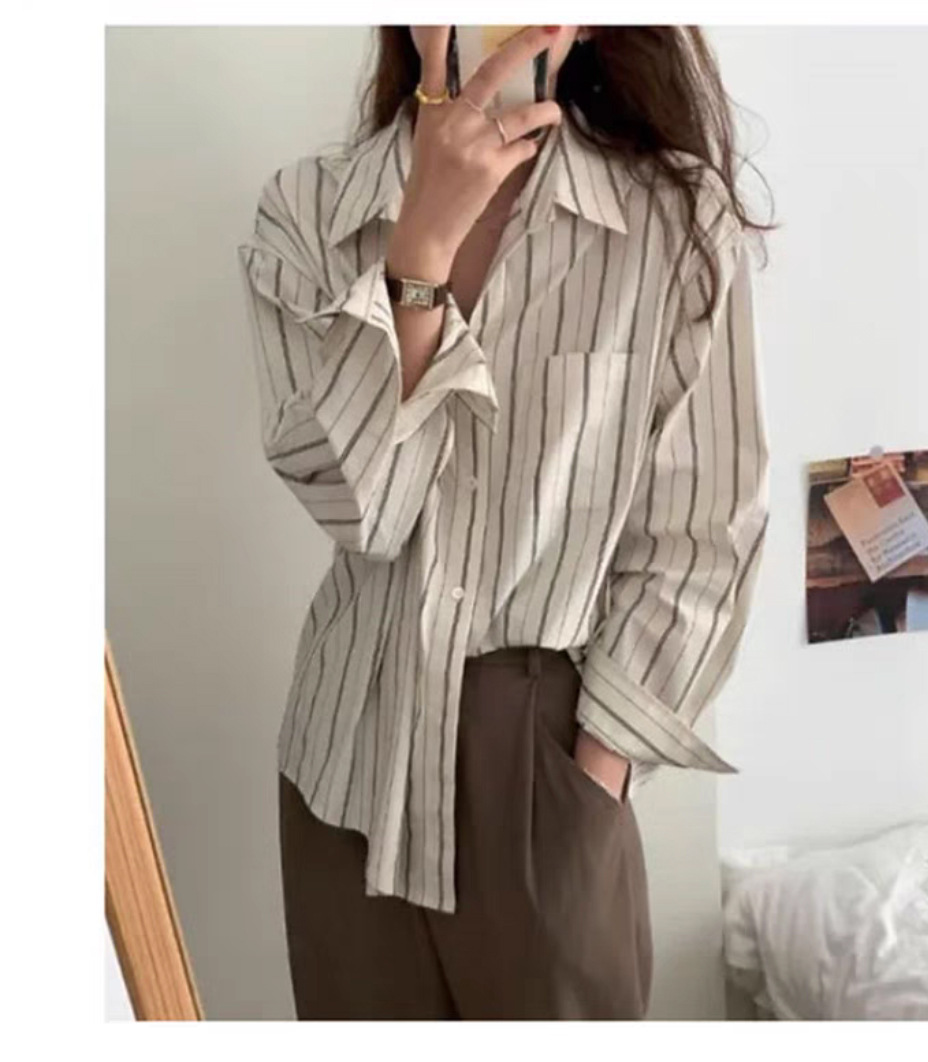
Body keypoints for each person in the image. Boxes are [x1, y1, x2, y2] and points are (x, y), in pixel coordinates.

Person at [236, 24, 772, 1021]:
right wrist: (419, 255)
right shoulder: (306, 211)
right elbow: (361, 509)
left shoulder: (675, 220)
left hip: (550, 754)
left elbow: (702, 538)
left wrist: (593, 777)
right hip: (346, 763)